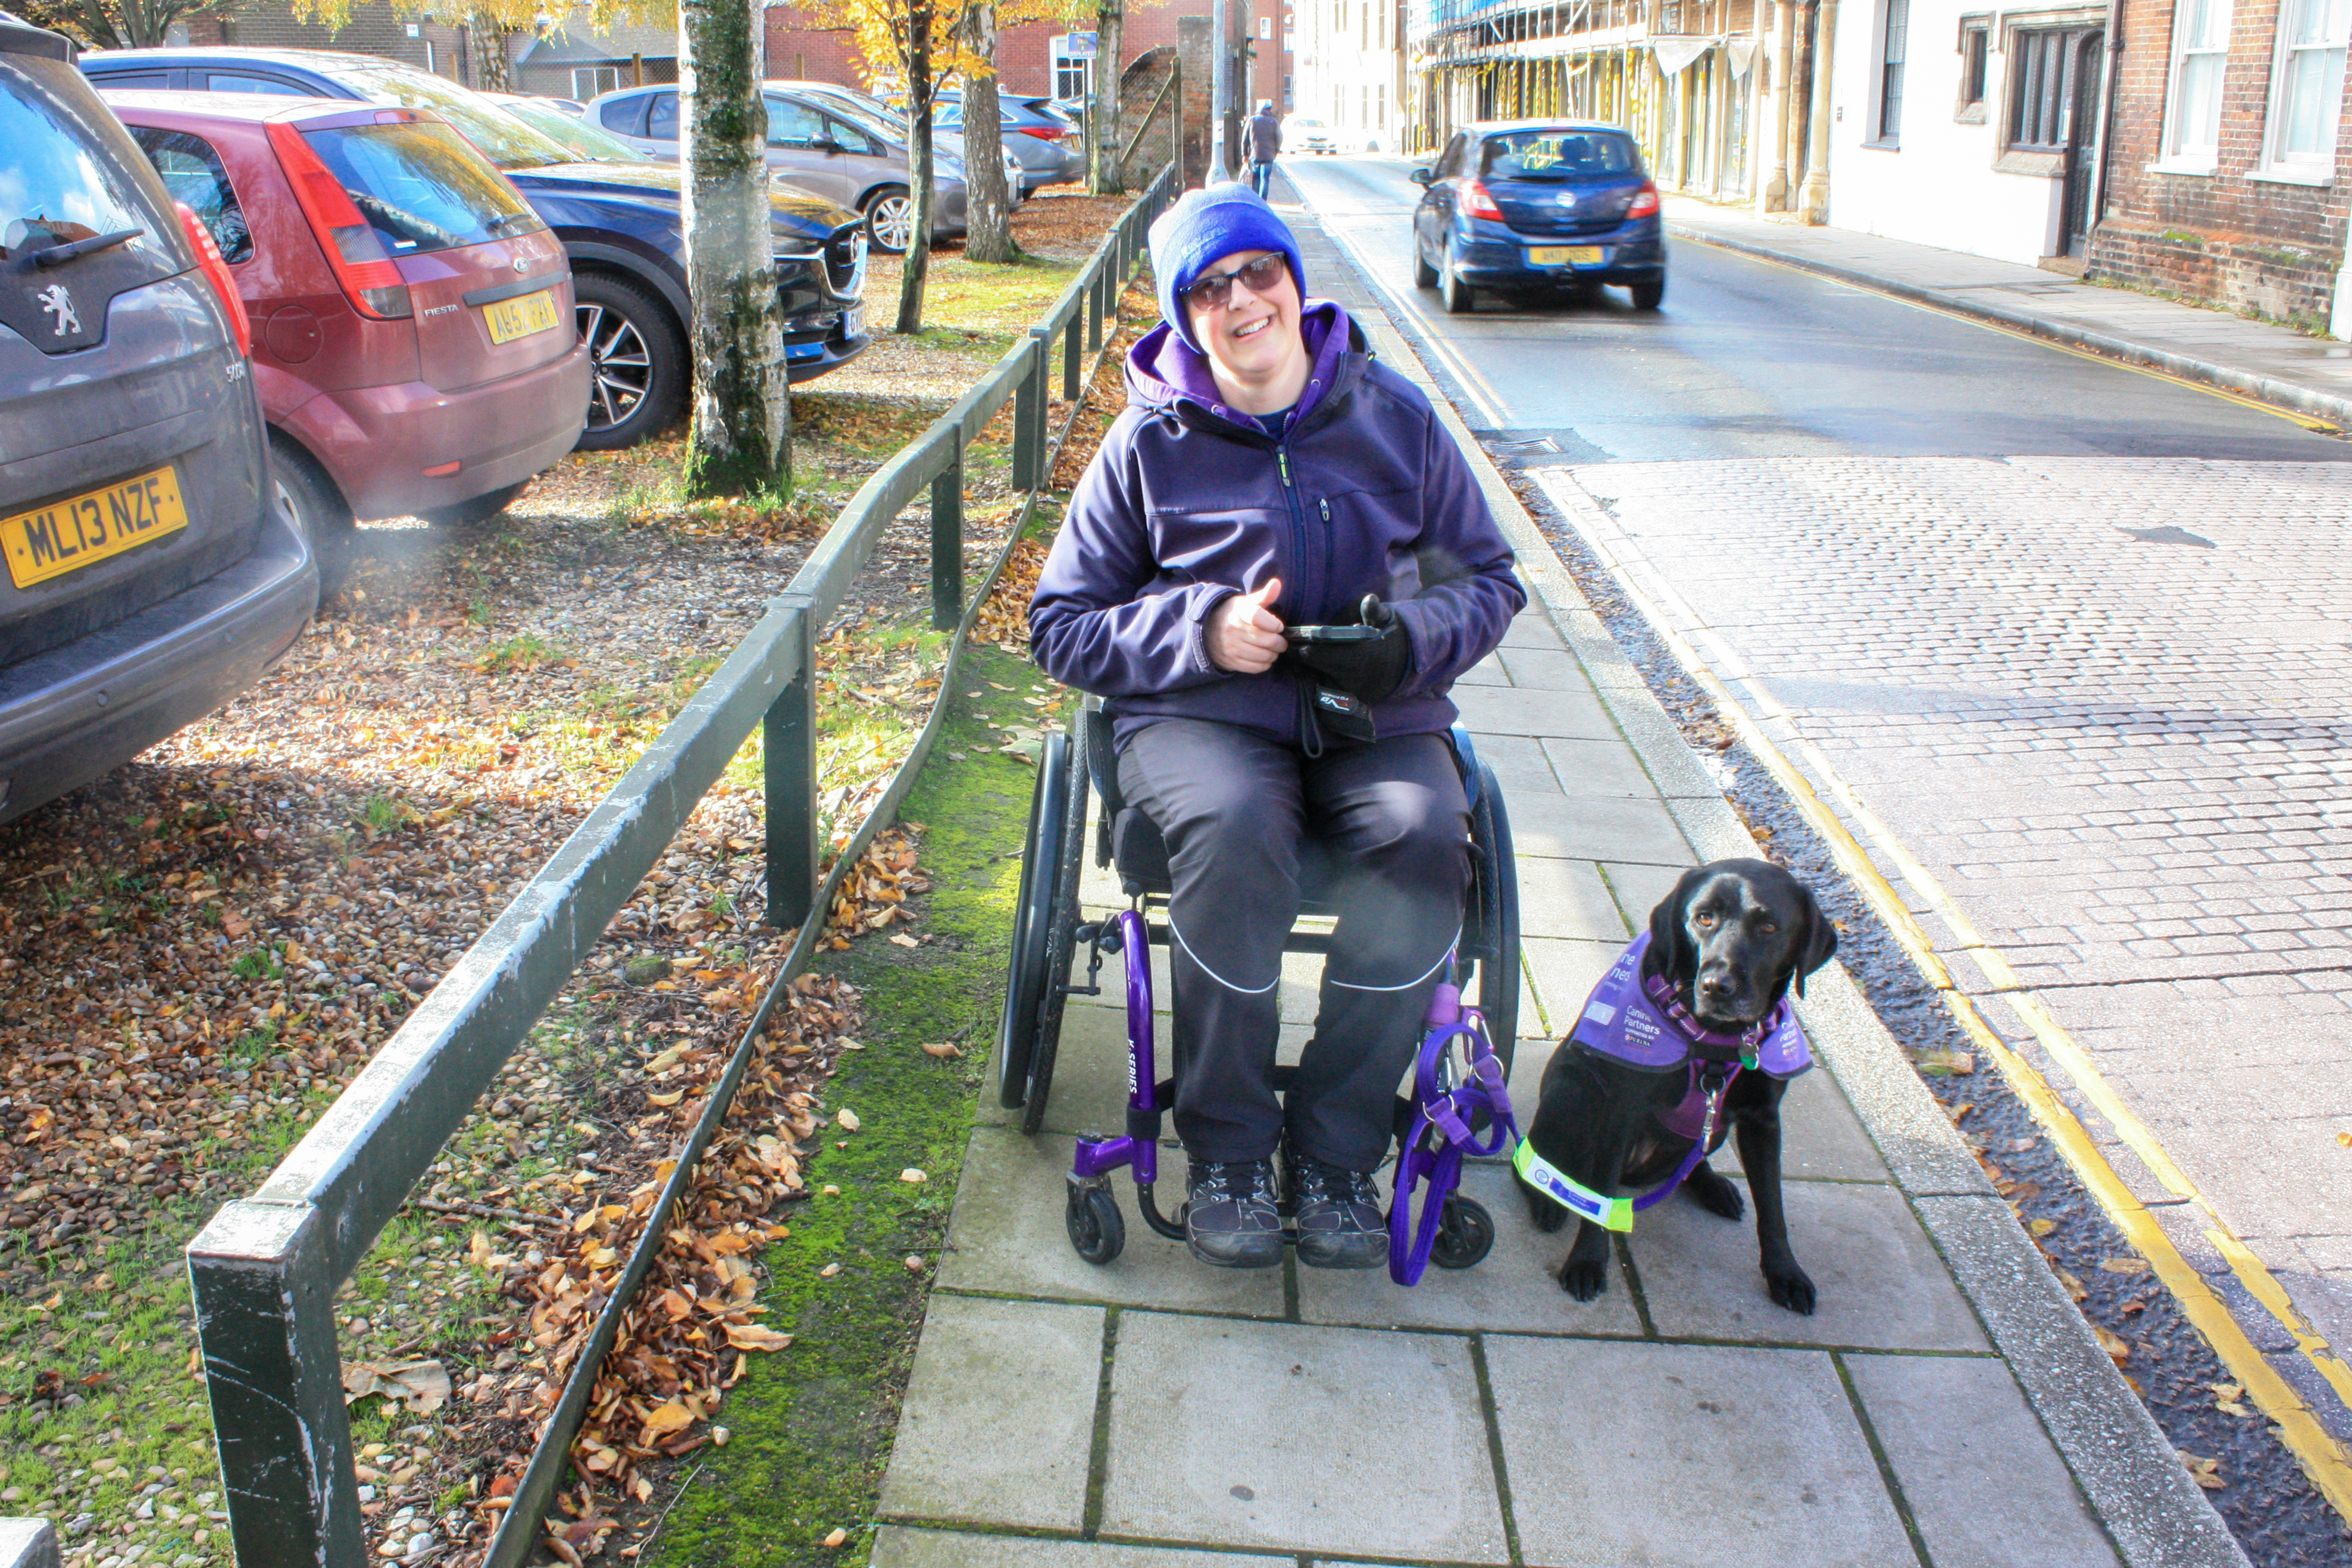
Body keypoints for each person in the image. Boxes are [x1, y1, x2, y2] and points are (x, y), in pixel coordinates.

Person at [1028, 186, 1524, 1270]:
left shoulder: (1394, 419)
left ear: (1295, 280)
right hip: (1199, 719)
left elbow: (1487, 580)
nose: (1241, 300)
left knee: (1423, 836)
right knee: (1238, 823)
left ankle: (1338, 1151)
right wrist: (1200, 629)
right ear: (1182, 316)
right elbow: (1058, 626)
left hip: (1373, 714)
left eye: (1258, 272)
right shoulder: (1145, 446)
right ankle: (1232, 1152)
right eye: (1208, 289)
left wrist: (1405, 643)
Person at [1247, 102, 1282, 199]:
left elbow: (1245, 139)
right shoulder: (1273, 122)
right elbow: (1280, 138)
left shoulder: (1252, 120)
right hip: (1269, 156)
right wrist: (1276, 150)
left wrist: (1244, 154)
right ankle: (1263, 202)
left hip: (1255, 155)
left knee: (1256, 179)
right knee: (1265, 180)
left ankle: (1255, 200)